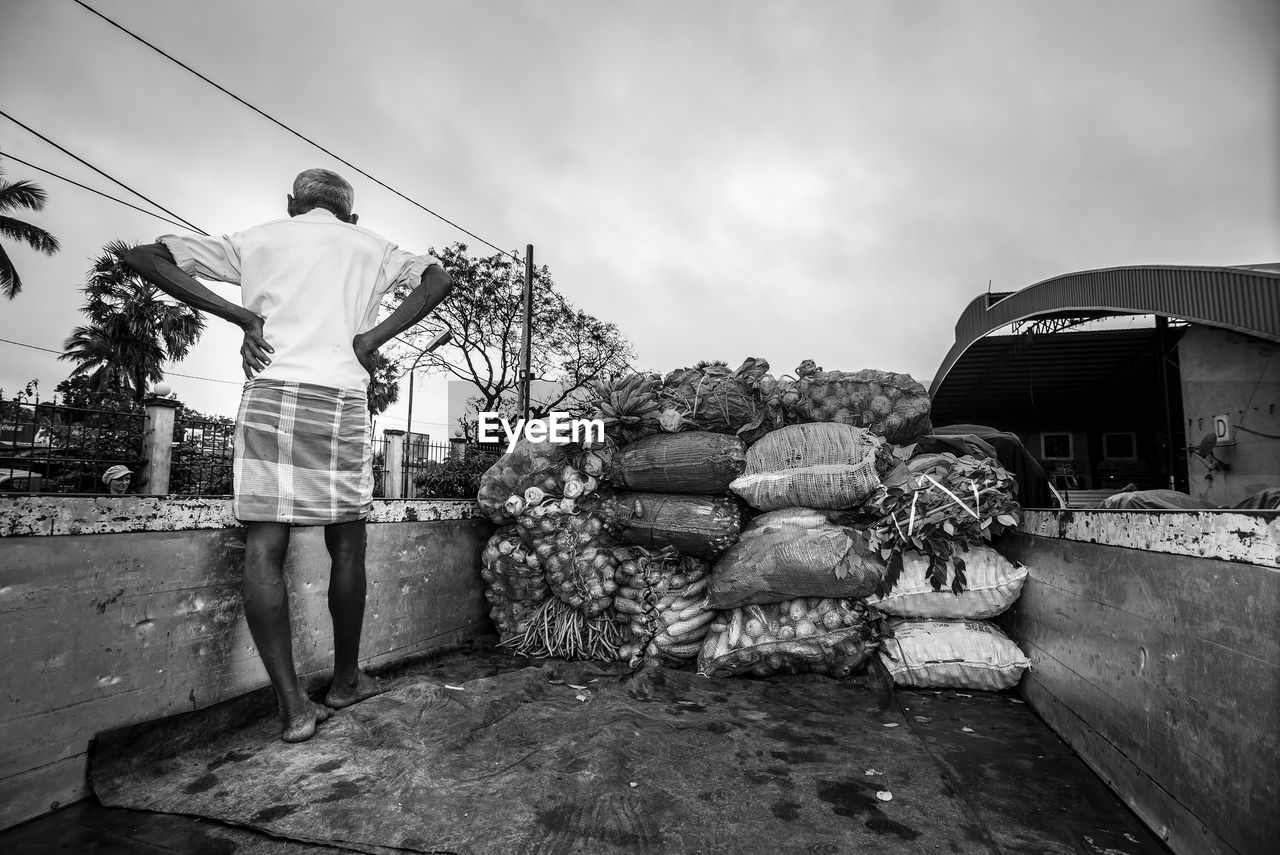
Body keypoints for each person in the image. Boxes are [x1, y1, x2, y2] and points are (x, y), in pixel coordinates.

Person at [123, 169, 453, 742]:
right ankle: (347, 680)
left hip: (272, 391)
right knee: (348, 541)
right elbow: (437, 278)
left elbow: (146, 256)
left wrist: (242, 317)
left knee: (265, 545)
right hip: (342, 396)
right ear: (349, 216)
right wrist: (370, 342)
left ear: (292, 205)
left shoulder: (258, 238)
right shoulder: (372, 247)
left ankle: (294, 706)